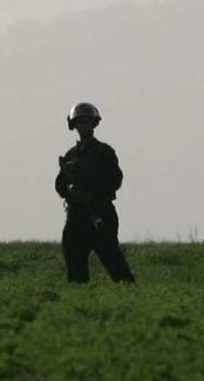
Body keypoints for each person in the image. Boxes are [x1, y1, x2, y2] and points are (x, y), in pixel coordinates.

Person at [55, 103, 135, 284]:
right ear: (73, 125)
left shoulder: (104, 152)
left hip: (100, 213)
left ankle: (129, 291)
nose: (83, 126)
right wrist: (70, 191)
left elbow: (115, 180)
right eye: (79, 122)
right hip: (77, 215)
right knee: (74, 258)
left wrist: (93, 194)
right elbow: (60, 184)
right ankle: (80, 298)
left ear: (94, 124)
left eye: (87, 122)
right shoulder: (71, 155)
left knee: (112, 258)